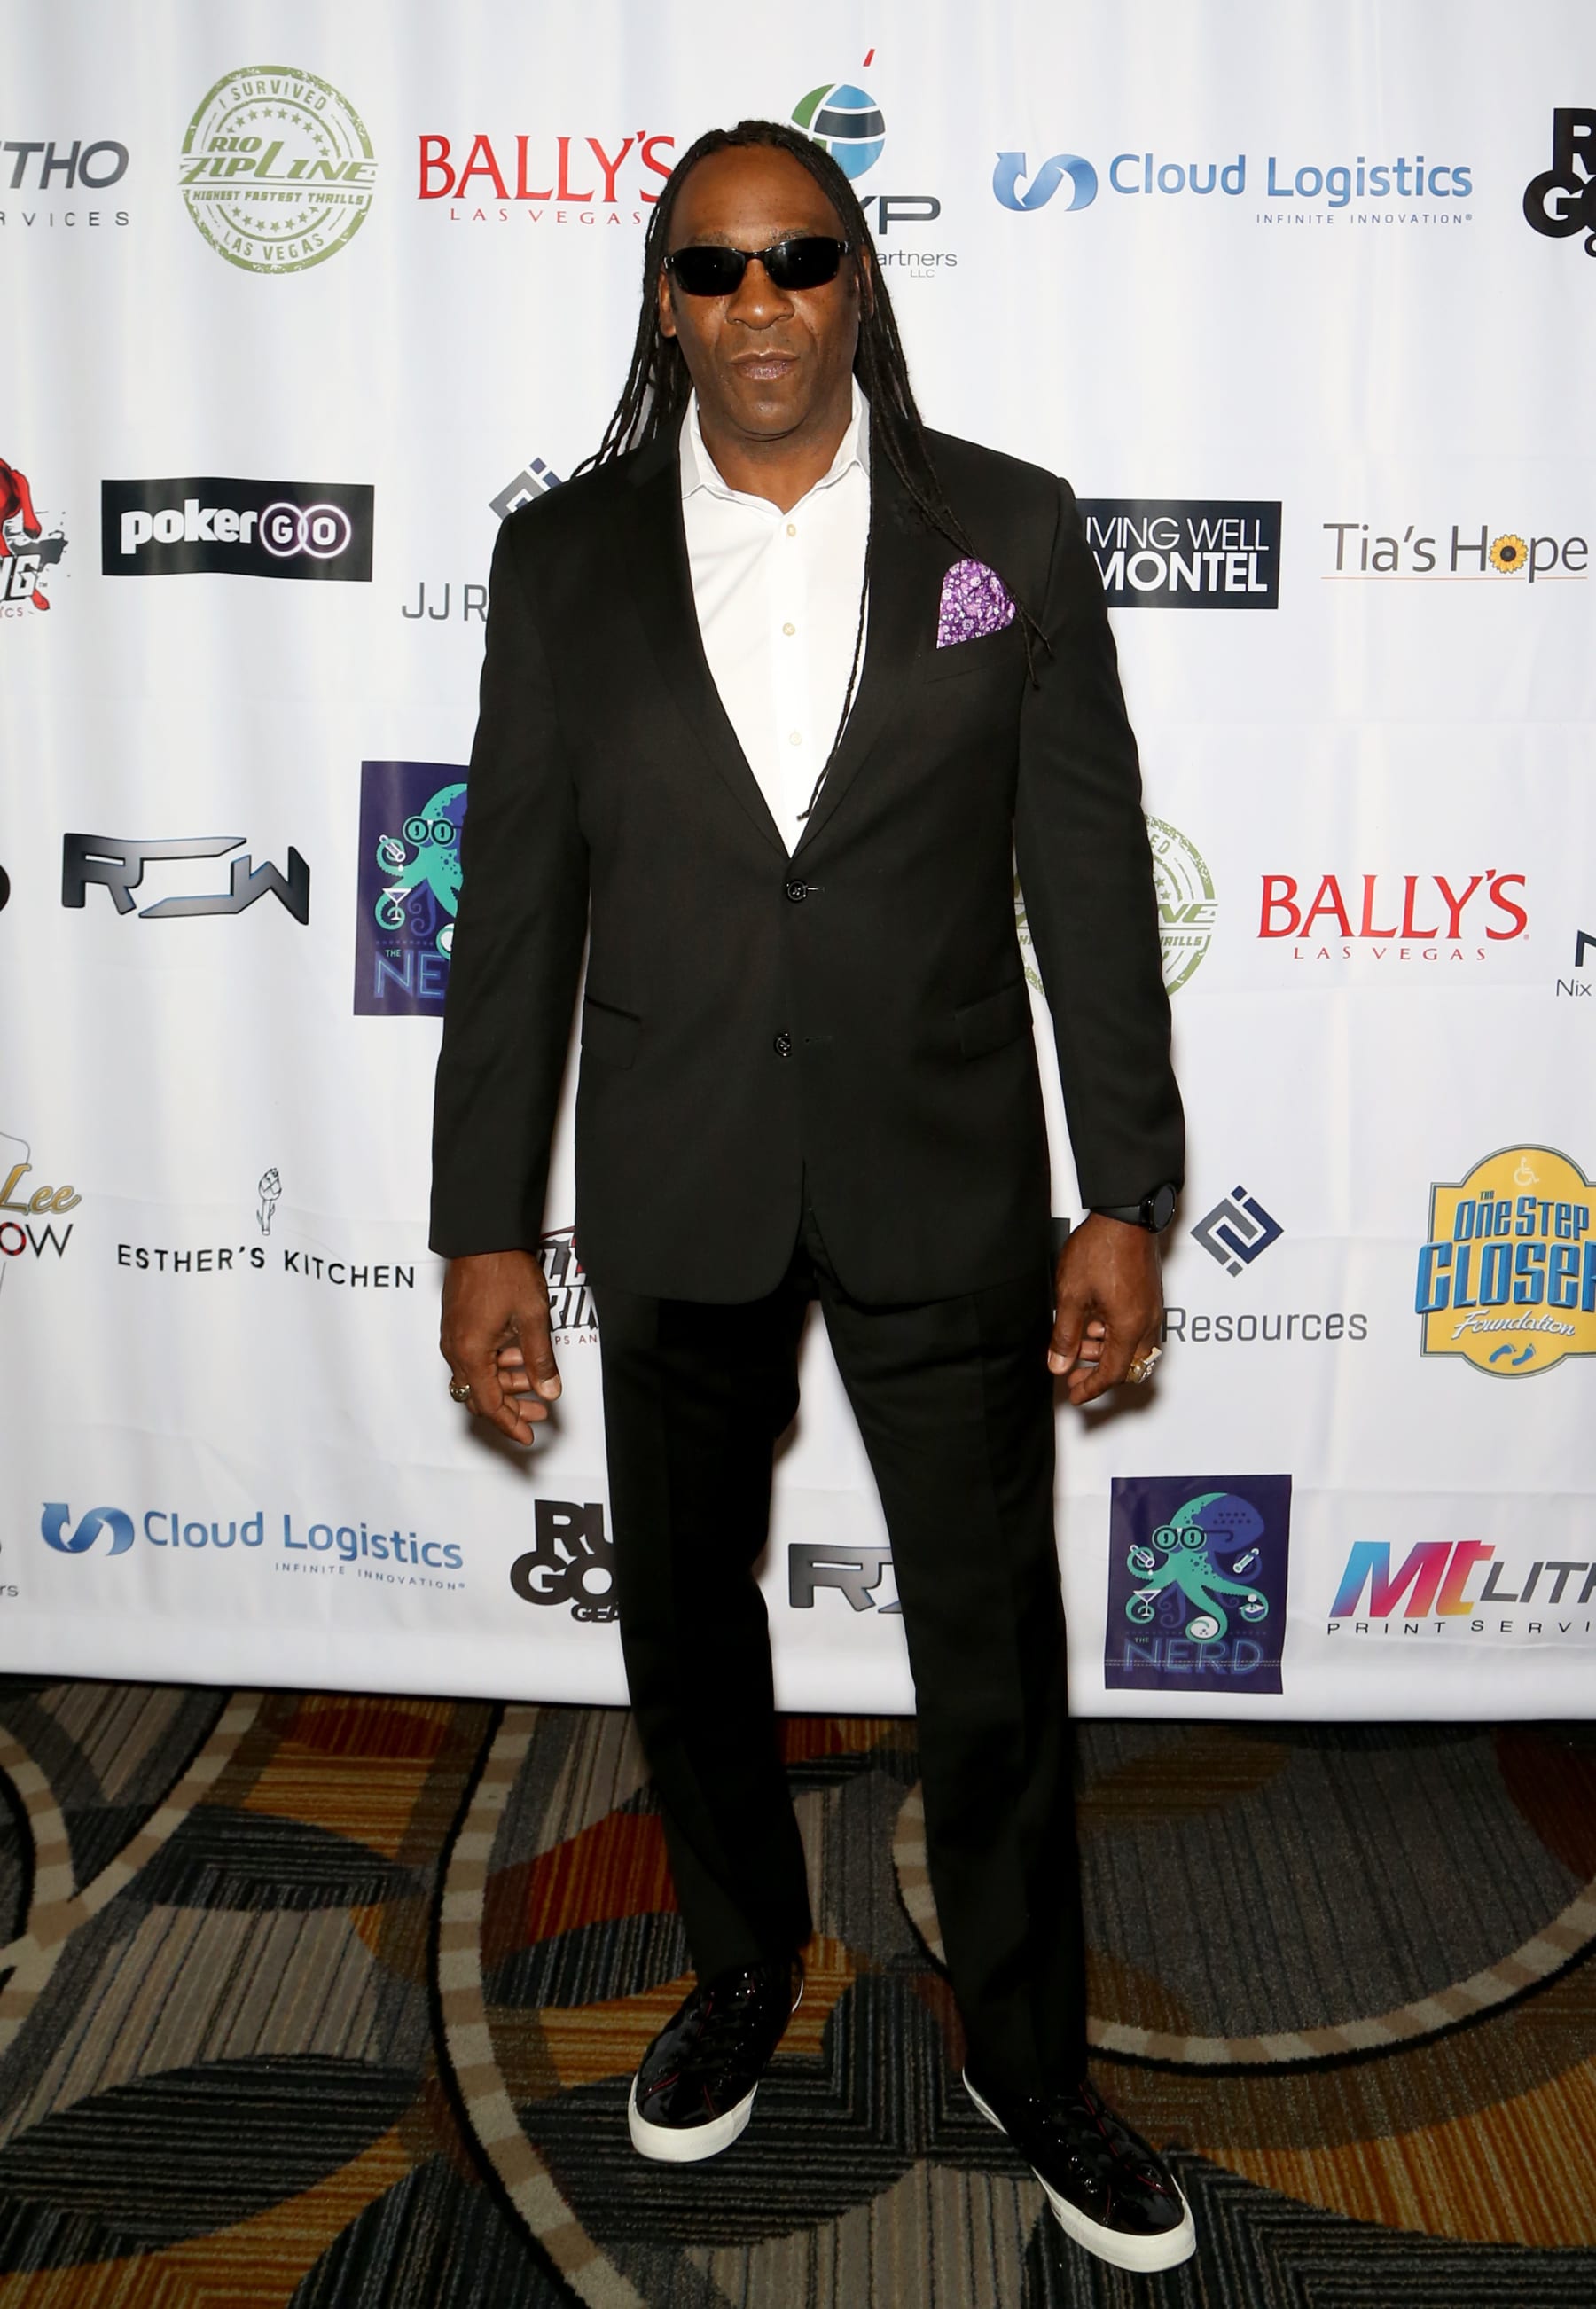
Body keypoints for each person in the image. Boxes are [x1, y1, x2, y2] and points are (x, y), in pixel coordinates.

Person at [430, 118, 1191, 2276]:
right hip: (676, 1175)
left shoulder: (1009, 535)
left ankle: (1030, 2053)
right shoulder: (563, 562)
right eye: (711, 271)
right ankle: (742, 1969)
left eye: (797, 260)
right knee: (682, 1625)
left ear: (861, 280)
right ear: (661, 306)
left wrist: (1124, 1191)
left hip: (948, 1178)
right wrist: (485, 1217)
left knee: (993, 1644)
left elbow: (1087, 886)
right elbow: (511, 916)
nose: (756, 305)